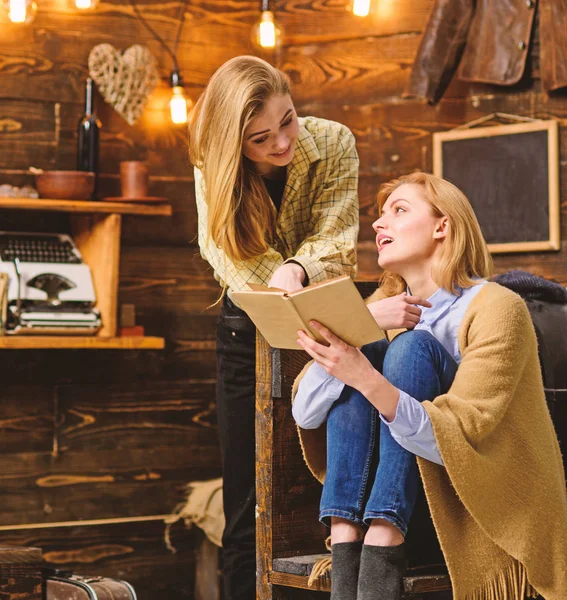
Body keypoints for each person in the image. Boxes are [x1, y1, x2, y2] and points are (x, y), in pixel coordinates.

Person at [292, 172, 567, 600]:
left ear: (443, 226)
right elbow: (304, 413)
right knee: (372, 354)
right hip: (379, 515)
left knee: (409, 349)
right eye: (379, 216)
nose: (379, 224)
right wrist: (361, 329)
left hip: (469, 509)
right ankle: (345, 534)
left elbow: (462, 440)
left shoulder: (496, 308)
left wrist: (363, 375)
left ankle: (382, 534)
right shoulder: (377, 310)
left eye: (399, 211)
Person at [189, 55, 360, 600]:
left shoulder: (333, 142)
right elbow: (226, 256)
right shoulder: (212, 167)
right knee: (247, 503)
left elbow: (339, 237)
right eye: (261, 139)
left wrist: (299, 268)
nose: (282, 143)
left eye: (287, 121)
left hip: (330, 323)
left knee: (321, 496)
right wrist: (283, 278)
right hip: (247, 332)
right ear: (234, 143)